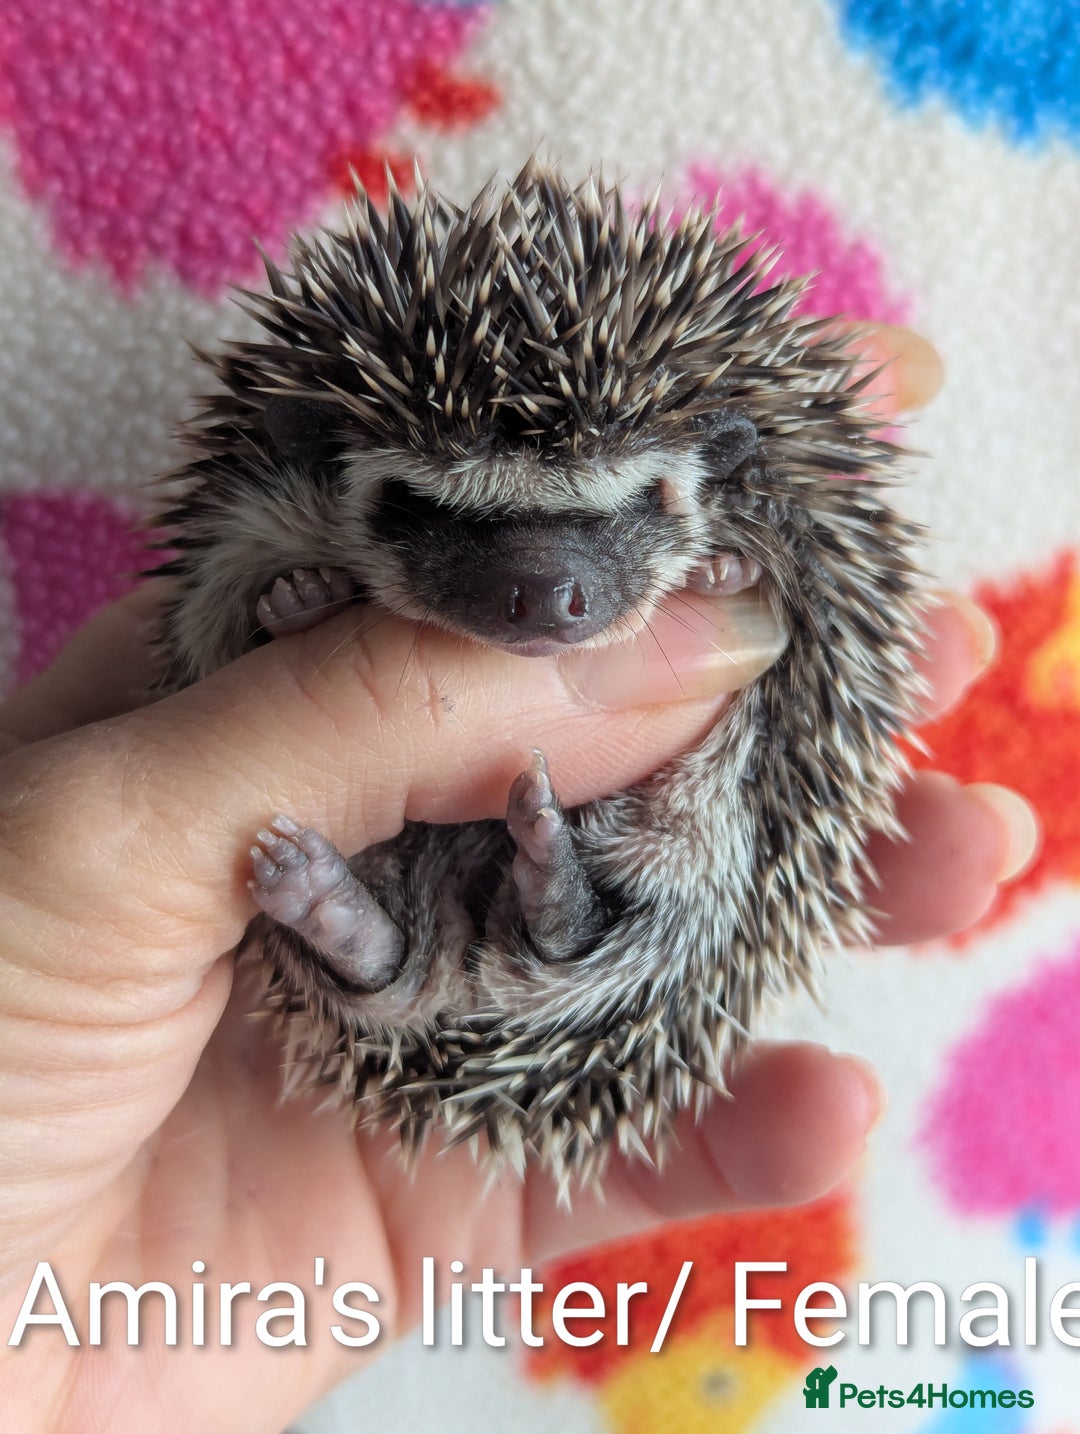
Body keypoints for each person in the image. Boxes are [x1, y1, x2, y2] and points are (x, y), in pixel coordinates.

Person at [0, 329, 1037, 1428]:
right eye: (452, 519)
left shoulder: (761, 525)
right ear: (322, 466)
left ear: (712, 477)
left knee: (709, 827)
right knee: (275, 761)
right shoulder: (283, 522)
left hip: (594, 939)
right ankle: (479, 942)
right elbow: (216, 613)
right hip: (342, 1016)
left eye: (615, 517)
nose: (545, 592)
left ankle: (438, 954)